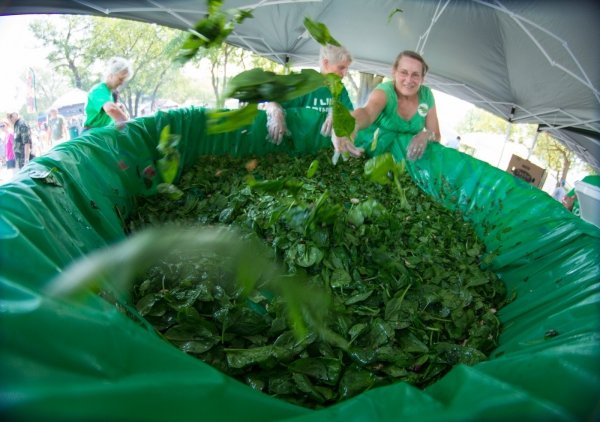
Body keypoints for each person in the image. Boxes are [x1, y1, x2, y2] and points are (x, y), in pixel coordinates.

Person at [332, 50, 441, 161]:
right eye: (404, 72)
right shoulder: (384, 92)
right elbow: (367, 113)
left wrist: (426, 135)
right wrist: (349, 124)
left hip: (405, 160)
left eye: (415, 75)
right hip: (369, 155)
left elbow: (436, 135)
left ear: (422, 79)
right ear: (394, 72)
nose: (409, 80)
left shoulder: (426, 96)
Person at [264, 44, 354, 144]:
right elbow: (271, 101)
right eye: (341, 68)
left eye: (347, 68)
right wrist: (276, 113)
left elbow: (352, 115)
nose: (345, 73)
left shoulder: (341, 90)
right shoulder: (305, 84)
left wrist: (338, 114)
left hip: (327, 146)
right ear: (326, 63)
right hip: (299, 145)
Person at [83, 56, 133, 130]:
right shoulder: (99, 90)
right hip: (91, 136)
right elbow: (110, 109)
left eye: (124, 80)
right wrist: (126, 122)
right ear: (111, 75)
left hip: (103, 134)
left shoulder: (110, 94)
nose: (122, 83)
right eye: (120, 79)